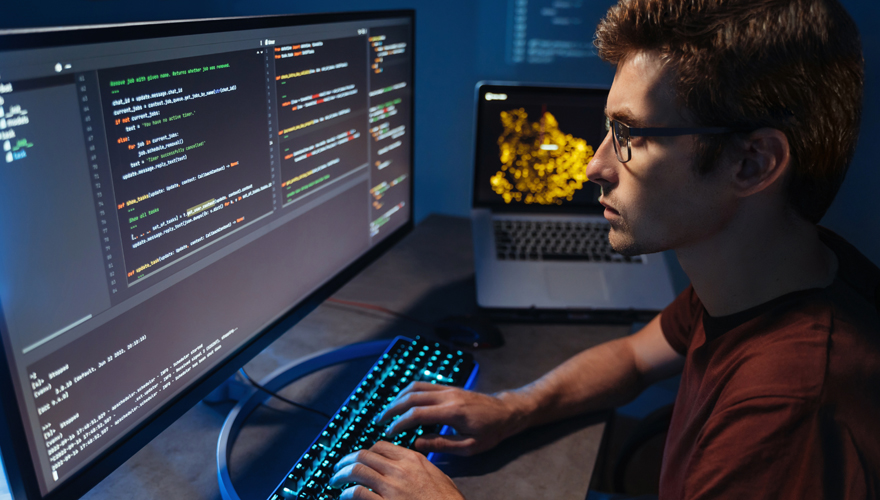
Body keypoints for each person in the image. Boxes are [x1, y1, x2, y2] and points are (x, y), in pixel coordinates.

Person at [328, 0, 880, 498]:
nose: (594, 166)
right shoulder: (768, 274)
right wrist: (515, 408)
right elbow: (636, 357)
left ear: (752, 163)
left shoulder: (786, 415)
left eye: (631, 135)